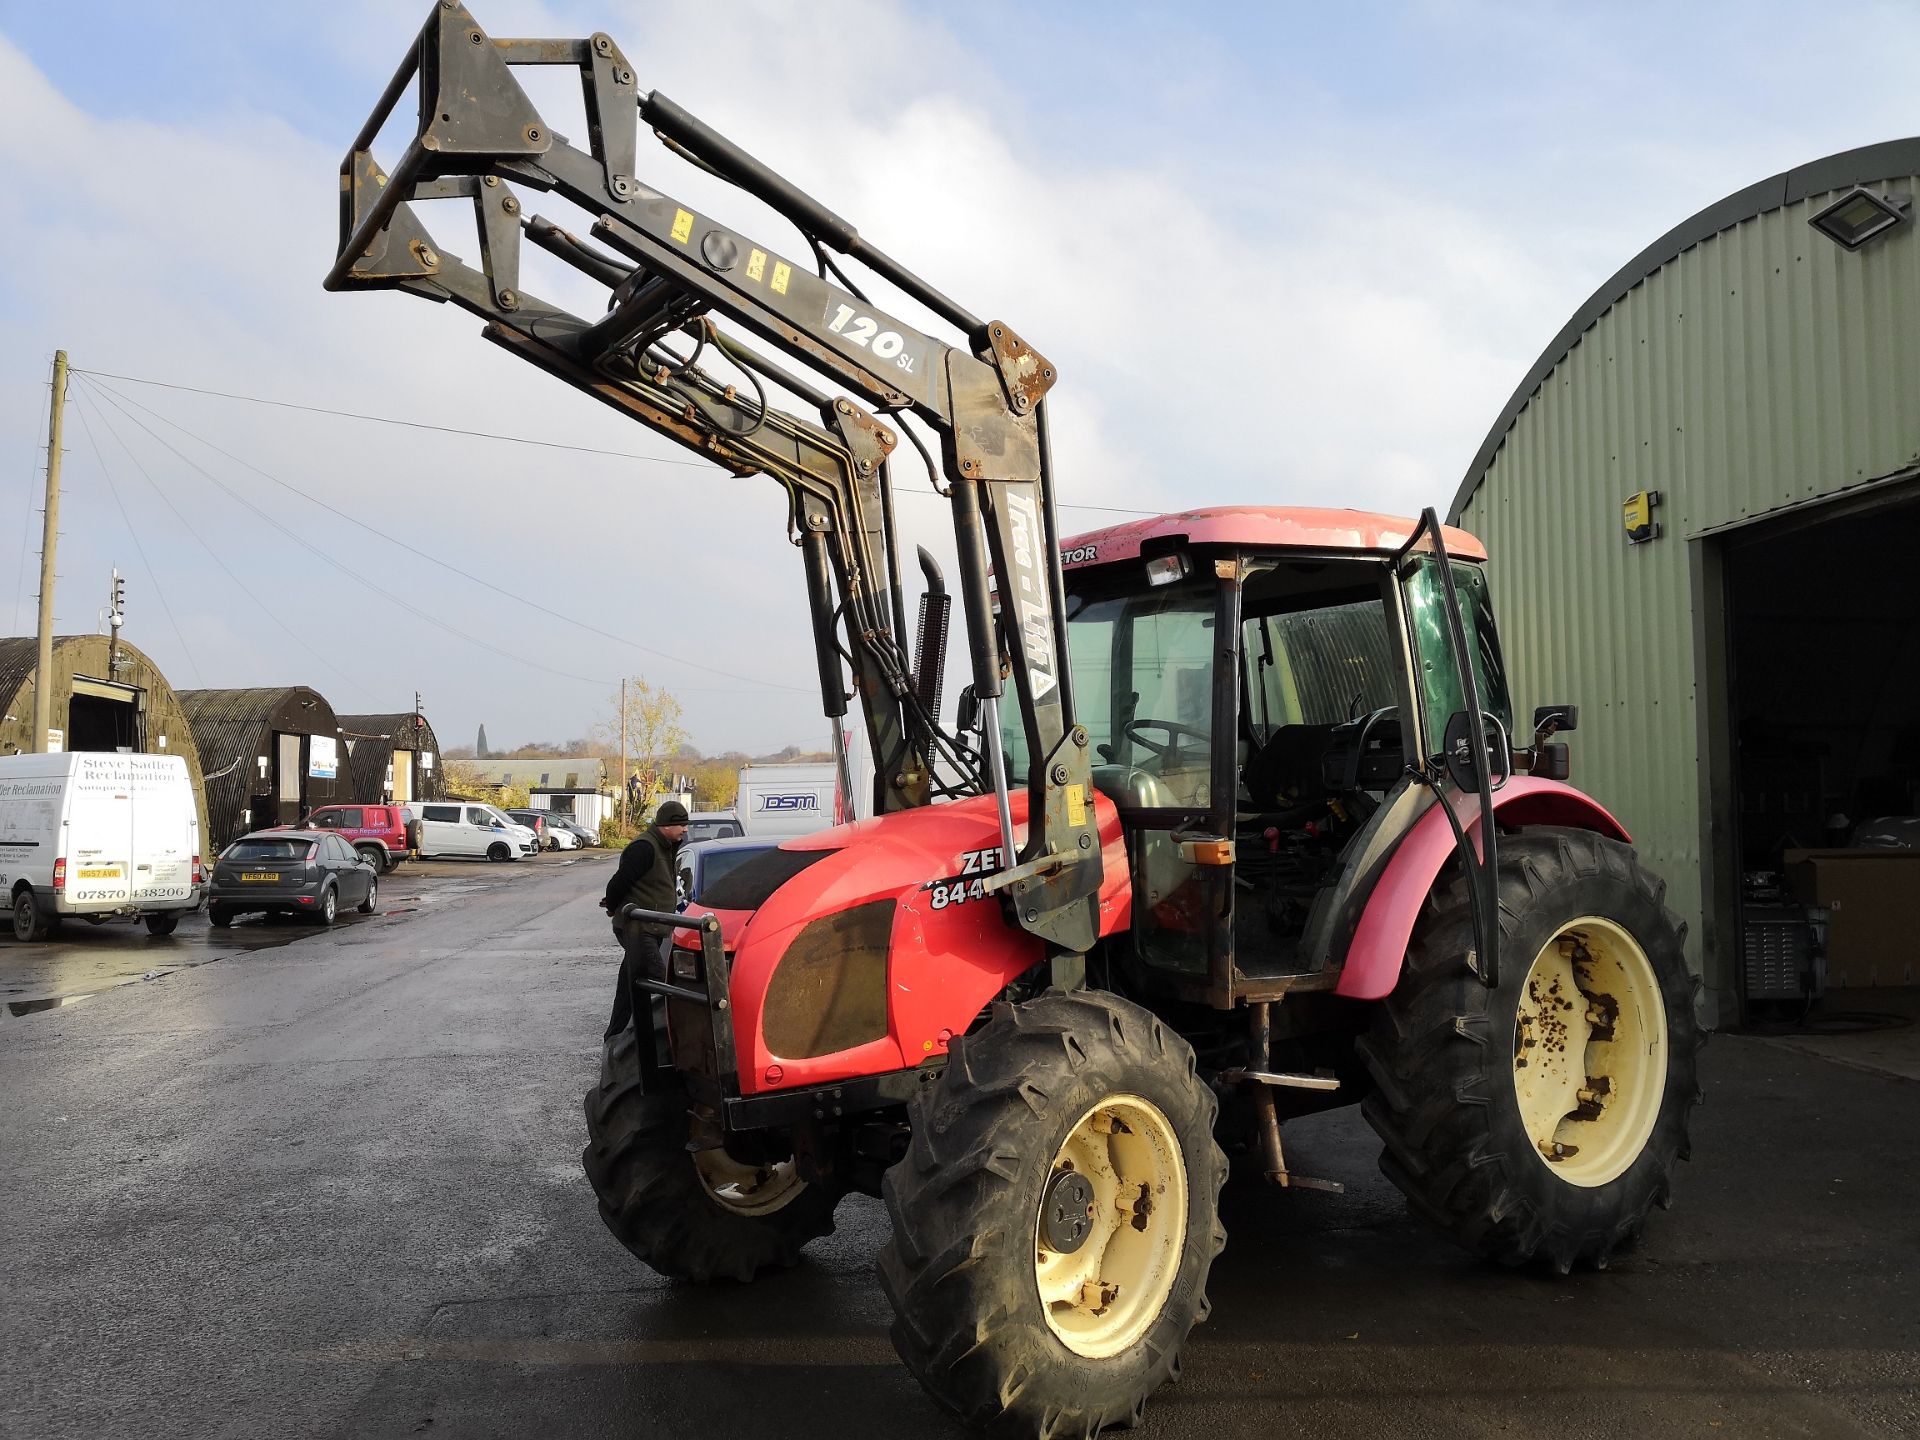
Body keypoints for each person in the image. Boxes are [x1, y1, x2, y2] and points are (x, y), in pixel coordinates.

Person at [599, 799, 690, 1039]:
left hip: (651, 928)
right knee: (665, 983)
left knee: (629, 984)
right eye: (681, 824)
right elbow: (618, 882)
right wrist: (612, 907)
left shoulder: (666, 846)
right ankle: (673, 1039)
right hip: (639, 928)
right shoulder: (645, 848)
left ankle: (616, 1035)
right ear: (665, 825)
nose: (685, 829)